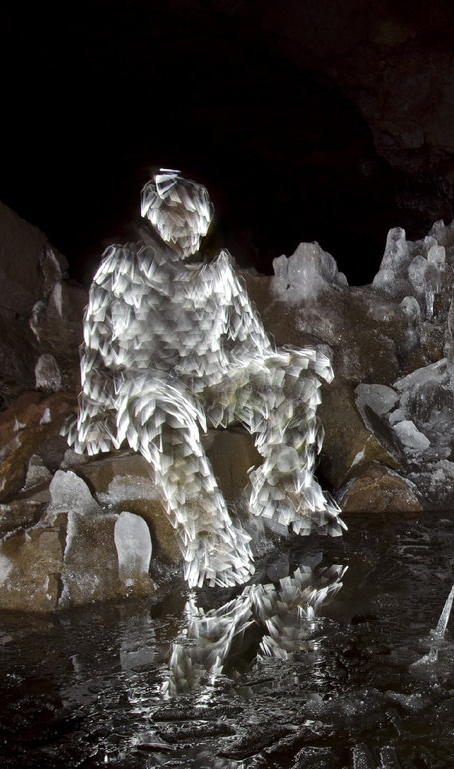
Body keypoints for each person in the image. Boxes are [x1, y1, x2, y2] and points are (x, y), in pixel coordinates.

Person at [67, 169, 343, 589]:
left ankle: (285, 488)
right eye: (172, 210)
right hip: (151, 389)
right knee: (155, 407)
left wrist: (276, 376)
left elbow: (252, 344)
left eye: (190, 211)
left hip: (210, 388)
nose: (183, 220)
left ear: (204, 217)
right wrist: (97, 413)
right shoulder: (122, 266)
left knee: (299, 372)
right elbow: (96, 352)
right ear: (153, 215)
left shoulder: (219, 271)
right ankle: (210, 540)